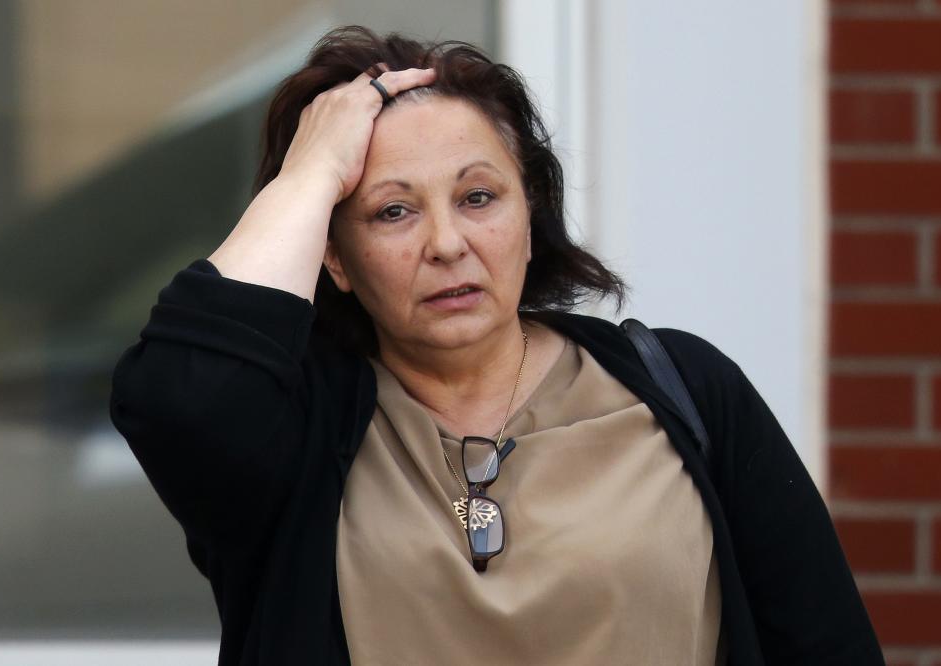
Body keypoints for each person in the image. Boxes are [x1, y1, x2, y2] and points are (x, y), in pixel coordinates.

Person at [109, 25, 884, 666]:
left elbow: (827, 649)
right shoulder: (298, 434)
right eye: (391, 212)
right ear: (332, 258)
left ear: (530, 212)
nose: (448, 243)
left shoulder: (684, 390)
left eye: (478, 197)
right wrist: (311, 172)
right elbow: (183, 401)